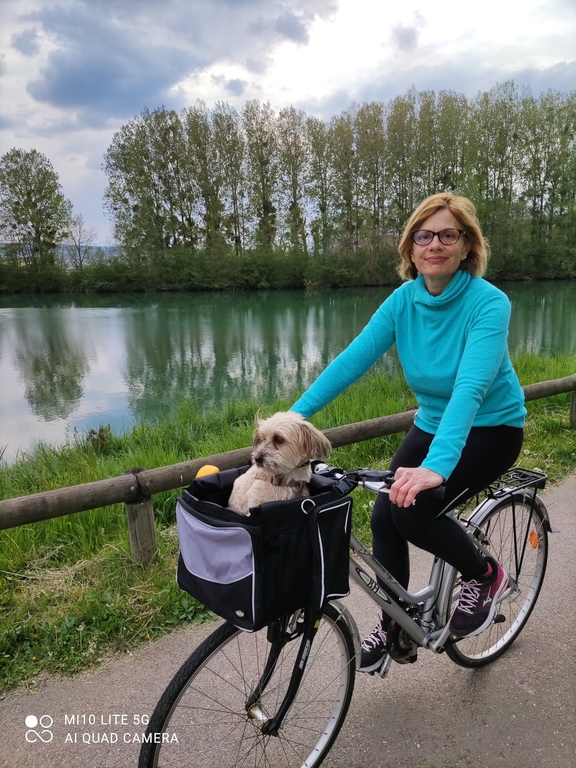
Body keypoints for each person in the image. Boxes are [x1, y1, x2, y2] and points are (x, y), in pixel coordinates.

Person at [290, 192, 526, 674]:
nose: (434, 244)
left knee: (416, 510)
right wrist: (290, 422)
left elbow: (470, 389)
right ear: (410, 248)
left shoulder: (489, 304)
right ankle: (395, 622)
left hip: (492, 427)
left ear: (467, 247)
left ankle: (485, 574)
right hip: (433, 421)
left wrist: (435, 468)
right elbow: (351, 361)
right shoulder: (403, 302)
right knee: (383, 516)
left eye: (448, 235)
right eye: (424, 235)